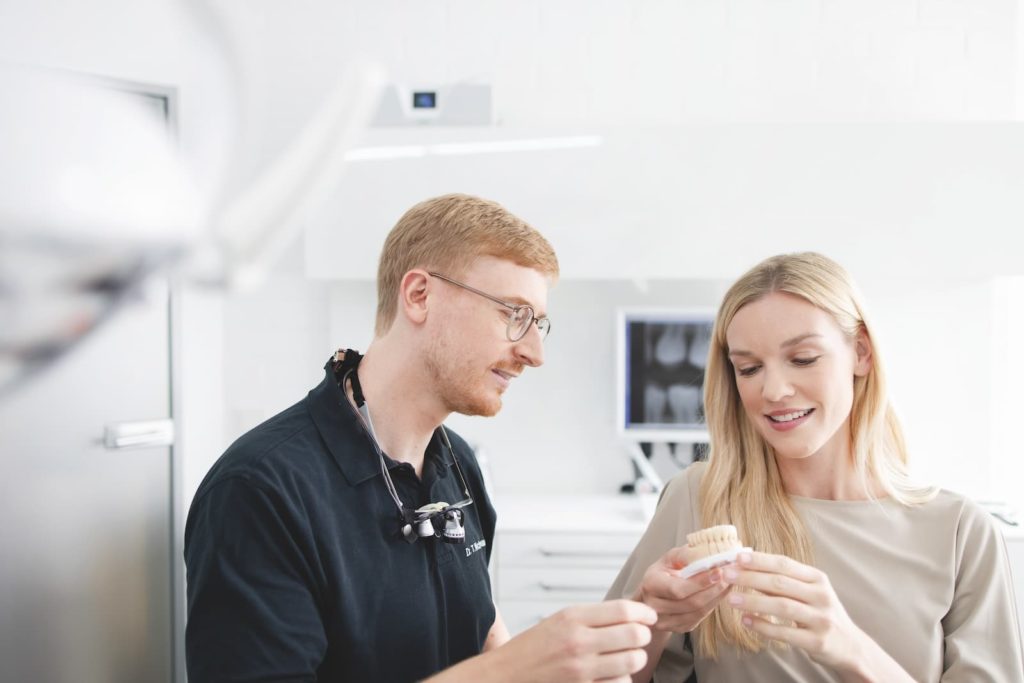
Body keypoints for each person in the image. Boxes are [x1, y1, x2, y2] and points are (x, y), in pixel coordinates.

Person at [185, 193, 655, 682]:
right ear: (419, 295)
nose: (534, 352)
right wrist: (511, 670)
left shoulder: (458, 465)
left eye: (538, 323)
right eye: (513, 314)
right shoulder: (260, 492)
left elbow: (483, 627)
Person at [607, 252, 1024, 682]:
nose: (773, 390)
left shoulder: (961, 533)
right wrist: (651, 622)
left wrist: (851, 649)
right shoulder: (699, 498)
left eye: (803, 359)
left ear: (861, 352)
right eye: (748, 369)